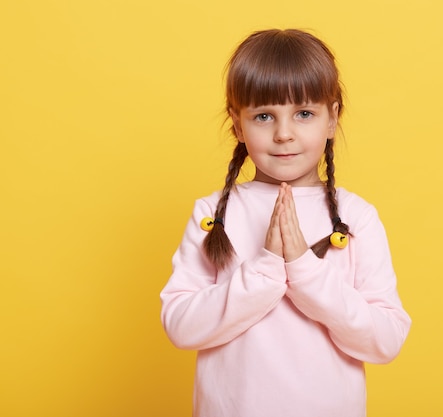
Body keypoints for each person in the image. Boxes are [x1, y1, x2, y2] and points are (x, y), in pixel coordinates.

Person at [160, 28, 411, 417]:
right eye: (264, 116)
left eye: (304, 114)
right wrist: (263, 272)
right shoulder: (213, 214)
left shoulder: (356, 217)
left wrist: (305, 271)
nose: (284, 134)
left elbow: (386, 340)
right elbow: (180, 325)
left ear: (332, 118)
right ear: (239, 124)